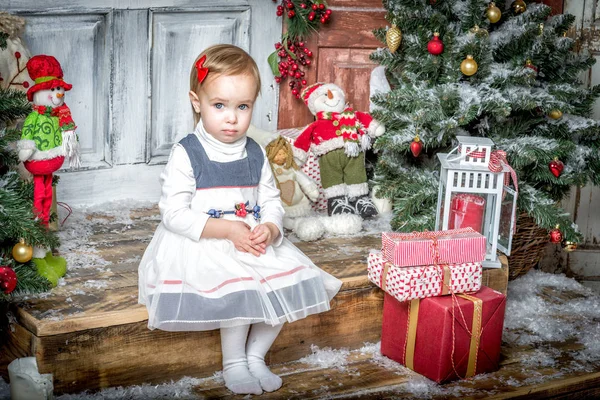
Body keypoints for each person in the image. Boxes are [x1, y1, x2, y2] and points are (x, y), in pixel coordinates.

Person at [137, 44, 342, 395]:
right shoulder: (187, 152)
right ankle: (234, 361)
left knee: (288, 284)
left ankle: (256, 355)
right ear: (196, 101)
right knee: (242, 288)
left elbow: (271, 200)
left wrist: (272, 228)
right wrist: (227, 230)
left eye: (242, 106)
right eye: (220, 106)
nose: (232, 117)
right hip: (206, 242)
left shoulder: (255, 151)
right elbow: (173, 214)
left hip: (250, 240)